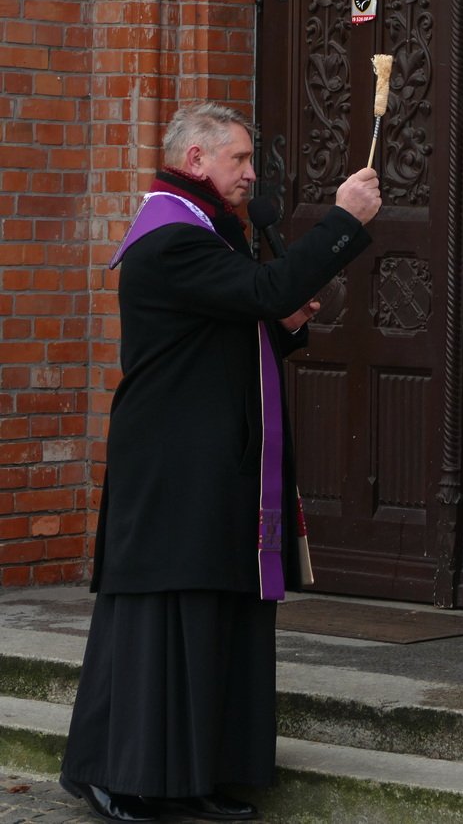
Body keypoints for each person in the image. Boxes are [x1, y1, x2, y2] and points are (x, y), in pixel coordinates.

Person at [58, 102, 381, 822]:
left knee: (212, 617)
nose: (250, 174)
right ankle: (128, 777)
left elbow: (237, 316)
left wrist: (284, 320)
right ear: (196, 159)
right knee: (165, 620)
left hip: (210, 461)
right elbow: (260, 290)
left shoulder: (209, 229)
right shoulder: (171, 235)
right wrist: (344, 220)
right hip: (174, 466)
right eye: (238, 160)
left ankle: (197, 774)